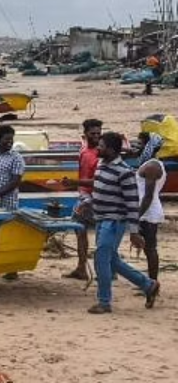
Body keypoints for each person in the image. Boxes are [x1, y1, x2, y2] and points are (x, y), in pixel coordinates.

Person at [88, 131, 160, 314]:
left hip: (114, 222)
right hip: (101, 219)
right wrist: (88, 202)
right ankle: (148, 285)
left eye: (101, 146)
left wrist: (134, 231)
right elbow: (100, 190)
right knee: (112, 260)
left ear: (112, 150)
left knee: (101, 258)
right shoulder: (101, 165)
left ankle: (104, 301)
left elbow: (132, 203)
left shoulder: (125, 172)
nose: (98, 149)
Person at [61, 118, 102, 281]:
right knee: (80, 231)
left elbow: (98, 181)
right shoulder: (84, 151)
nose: (96, 136)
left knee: (100, 235)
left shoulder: (100, 154)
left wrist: (74, 183)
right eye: (93, 133)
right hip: (84, 196)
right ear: (85, 134)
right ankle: (81, 267)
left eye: (98, 133)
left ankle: (105, 270)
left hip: (95, 199)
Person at [137, 139, 166, 281]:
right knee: (148, 248)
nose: (137, 147)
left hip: (148, 211)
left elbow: (148, 195)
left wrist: (137, 216)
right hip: (147, 209)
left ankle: (153, 283)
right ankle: (151, 282)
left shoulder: (152, 166)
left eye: (140, 144)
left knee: (150, 248)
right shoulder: (150, 164)